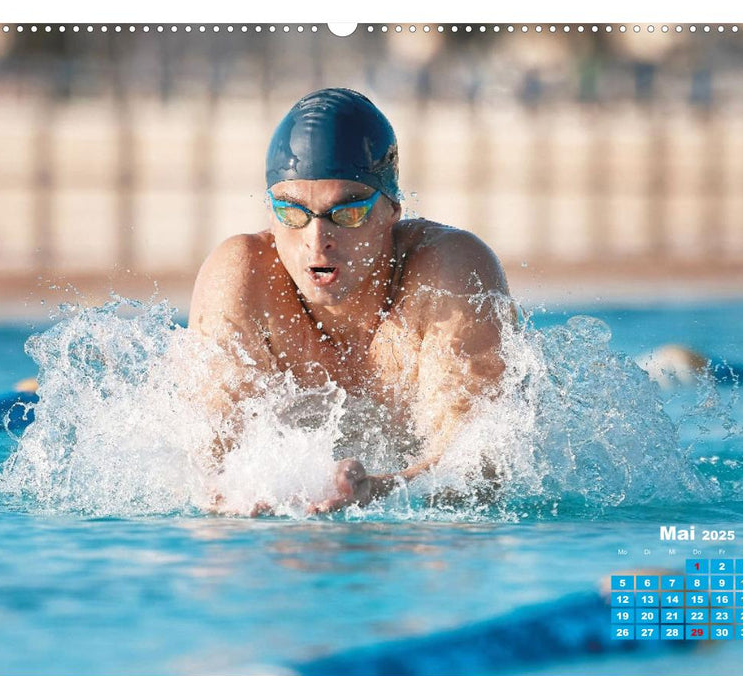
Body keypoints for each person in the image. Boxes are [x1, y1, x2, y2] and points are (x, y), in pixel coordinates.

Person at [188, 88, 515, 514]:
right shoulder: (242, 280)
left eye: (347, 213)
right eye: (292, 212)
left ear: (391, 211)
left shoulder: (447, 276)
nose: (317, 240)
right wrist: (234, 497)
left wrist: (382, 490)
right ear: (270, 212)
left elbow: (481, 470)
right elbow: (205, 464)